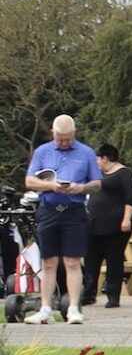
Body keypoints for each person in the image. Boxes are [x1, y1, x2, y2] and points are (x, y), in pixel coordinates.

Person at [23, 115, 101, 324]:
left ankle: (74, 308)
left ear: (74, 133)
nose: (64, 142)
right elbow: (29, 181)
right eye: (60, 138)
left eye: (68, 138)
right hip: (48, 209)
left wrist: (81, 188)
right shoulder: (42, 152)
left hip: (74, 210)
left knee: (73, 261)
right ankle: (45, 308)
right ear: (52, 133)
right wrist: (51, 186)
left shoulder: (86, 153)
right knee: (48, 261)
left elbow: (97, 184)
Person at [81, 143, 132, 310]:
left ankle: (113, 295)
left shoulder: (124, 174)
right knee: (91, 260)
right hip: (93, 224)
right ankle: (88, 294)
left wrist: (126, 219)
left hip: (115, 225)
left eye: (98, 158)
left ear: (105, 158)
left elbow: (130, 199)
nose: (96, 162)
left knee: (114, 259)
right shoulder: (97, 176)